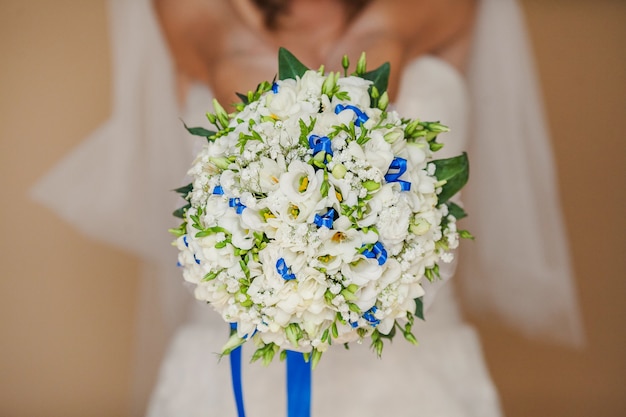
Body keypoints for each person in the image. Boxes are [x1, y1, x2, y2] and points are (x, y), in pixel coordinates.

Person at [31, 0, 583, 416]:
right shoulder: (195, 10)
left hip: (416, 380)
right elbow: (230, 60)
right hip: (233, 381)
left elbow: (379, 49)